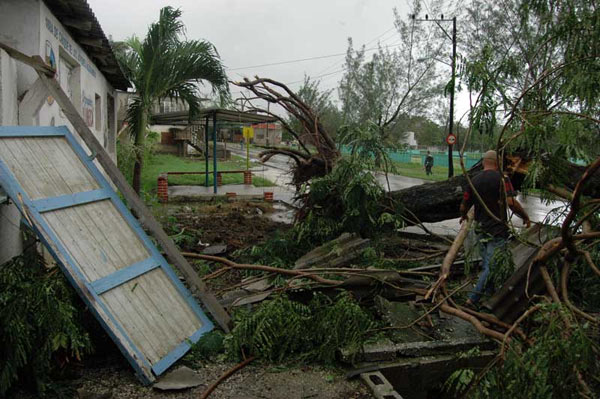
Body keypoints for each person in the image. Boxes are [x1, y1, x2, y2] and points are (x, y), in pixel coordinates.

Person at [459, 150, 531, 307]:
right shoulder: (502, 178)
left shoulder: (474, 180)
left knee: (488, 265)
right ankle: (472, 299)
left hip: (481, 228)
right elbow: (511, 202)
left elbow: (464, 203)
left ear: (484, 162)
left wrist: (464, 215)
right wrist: (525, 216)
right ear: (497, 163)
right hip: (497, 230)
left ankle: (490, 296)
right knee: (492, 266)